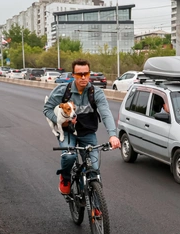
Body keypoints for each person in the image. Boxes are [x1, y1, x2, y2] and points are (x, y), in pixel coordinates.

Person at [43, 59, 121, 195]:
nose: (83, 77)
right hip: (68, 132)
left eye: (86, 73)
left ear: (89, 74)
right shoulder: (63, 91)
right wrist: (61, 121)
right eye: (79, 74)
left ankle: (96, 207)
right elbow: (47, 109)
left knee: (94, 170)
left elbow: (106, 113)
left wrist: (113, 135)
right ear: (73, 75)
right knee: (68, 157)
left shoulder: (95, 92)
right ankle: (66, 178)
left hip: (87, 133)